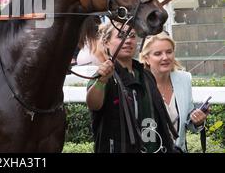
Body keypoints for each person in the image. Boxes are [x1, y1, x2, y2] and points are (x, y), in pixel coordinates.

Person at [86, 21, 178, 153]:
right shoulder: (103, 76)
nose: (128, 40)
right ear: (106, 42)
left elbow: (154, 118)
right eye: (121, 36)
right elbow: (93, 105)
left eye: (132, 36)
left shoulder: (145, 75)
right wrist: (102, 81)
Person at [139, 32, 209, 152]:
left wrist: (197, 121)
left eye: (169, 52)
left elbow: (187, 122)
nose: (165, 57)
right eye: (158, 53)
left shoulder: (184, 79)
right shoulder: (138, 84)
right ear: (146, 59)